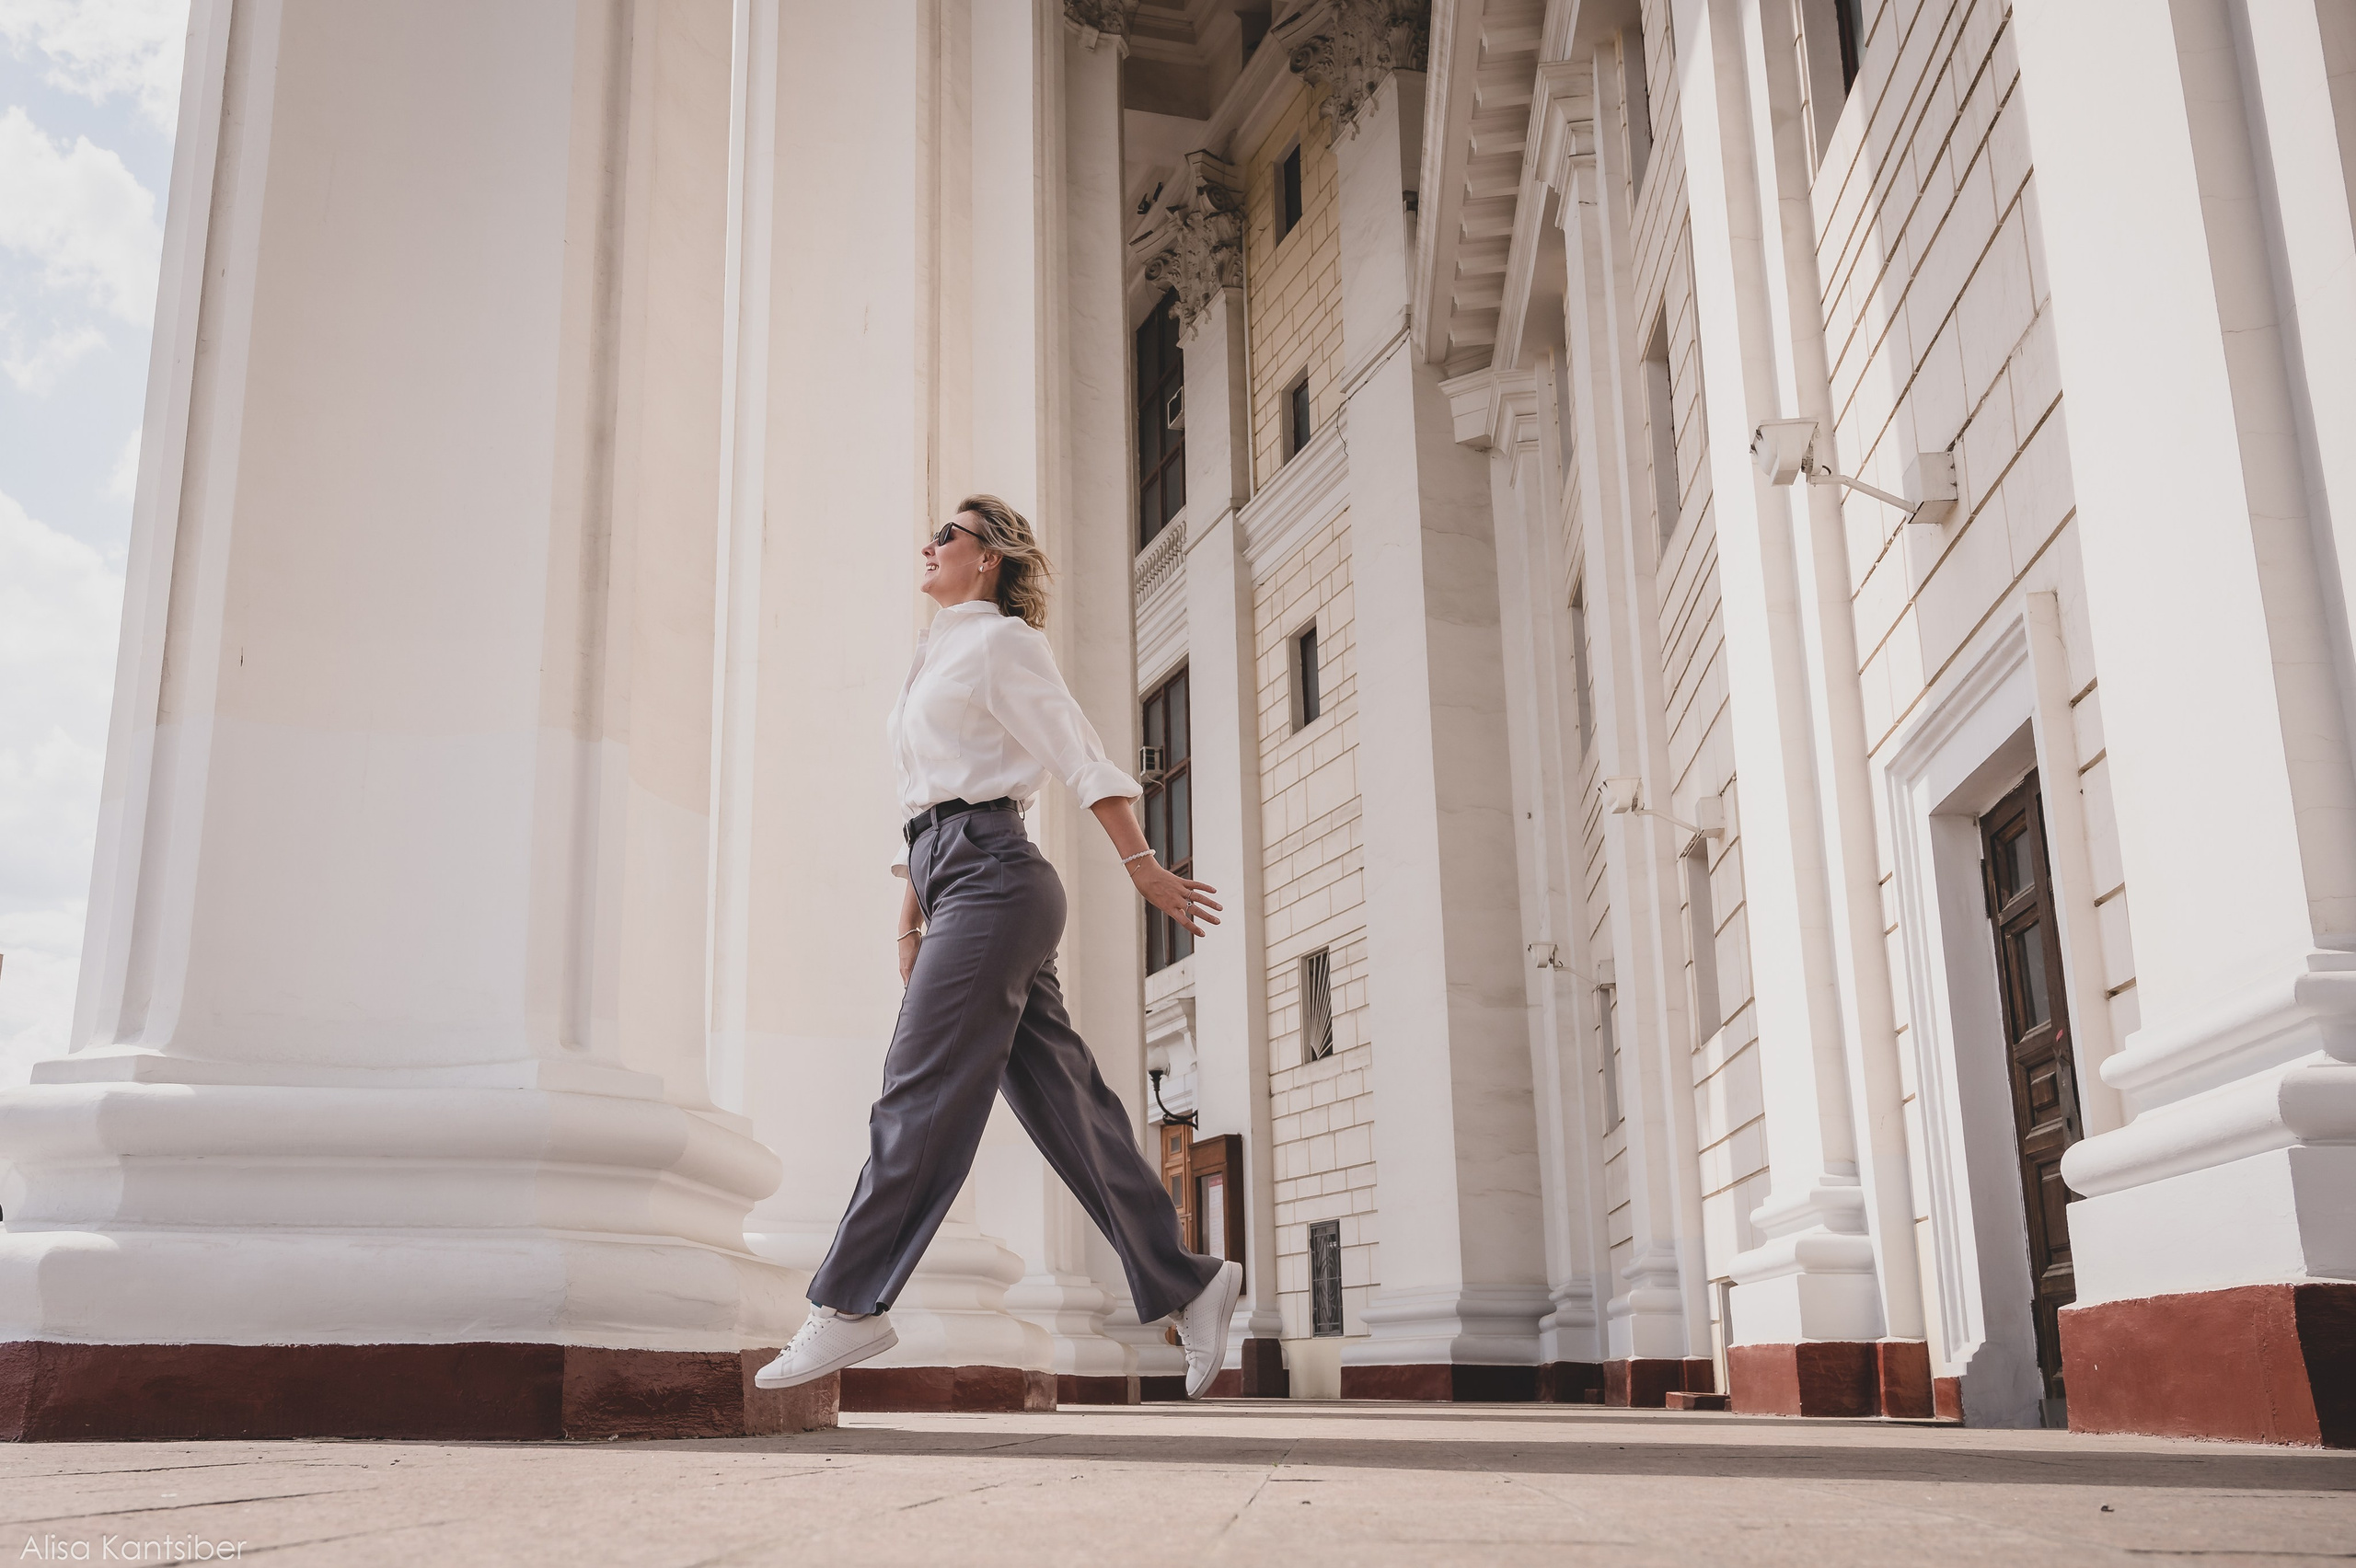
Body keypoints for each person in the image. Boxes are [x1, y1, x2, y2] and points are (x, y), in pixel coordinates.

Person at [756, 494, 1243, 1398]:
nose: (929, 544)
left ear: (989, 558)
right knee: (1070, 1107)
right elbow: (926, 797)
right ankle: (1192, 1281)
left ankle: (851, 1303)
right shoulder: (932, 651)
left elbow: (1077, 751)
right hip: (955, 877)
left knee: (919, 1087)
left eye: (948, 534)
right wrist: (908, 916)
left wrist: (1142, 866)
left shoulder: (1003, 642)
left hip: (994, 873)